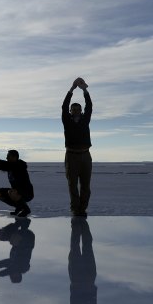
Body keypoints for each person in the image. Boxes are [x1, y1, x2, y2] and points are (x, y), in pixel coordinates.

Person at [62, 78, 93, 217]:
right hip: (71, 156)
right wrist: (72, 89)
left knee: (85, 185)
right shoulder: (67, 121)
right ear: (70, 111)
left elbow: (90, 106)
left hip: (85, 155)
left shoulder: (85, 120)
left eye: (78, 109)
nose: (75, 110)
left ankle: (83, 208)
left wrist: (84, 90)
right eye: (73, 109)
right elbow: (64, 106)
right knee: (72, 185)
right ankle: (75, 209)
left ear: (81, 111)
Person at [0, 150, 34, 217]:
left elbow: (1, 164)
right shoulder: (10, 166)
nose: (6, 158)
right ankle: (19, 206)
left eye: (8, 156)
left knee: (12, 192)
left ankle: (26, 209)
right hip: (17, 192)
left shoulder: (19, 166)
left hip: (27, 193)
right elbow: (0, 165)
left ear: (14, 157)